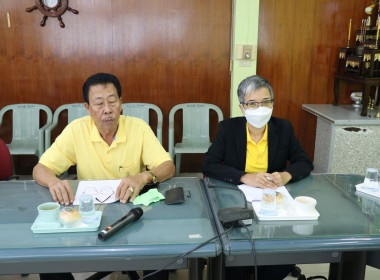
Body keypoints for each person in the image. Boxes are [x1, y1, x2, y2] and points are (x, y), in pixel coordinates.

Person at [33, 73, 175, 280]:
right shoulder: (76, 130)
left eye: (112, 101)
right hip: (88, 214)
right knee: (48, 259)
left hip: (131, 213)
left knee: (160, 258)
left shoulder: (138, 128)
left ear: (121, 103)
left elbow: (167, 167)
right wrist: (53, 181)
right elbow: (40, 169)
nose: (107, 110)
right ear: (87, 108)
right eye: (99, 104)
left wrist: (145, 176)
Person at [202, 75, 313, 280]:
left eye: (265, 102)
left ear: (273, 103)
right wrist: (244, 177)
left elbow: (304, 162)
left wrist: (286, 175)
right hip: (237, 200)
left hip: (274, 204)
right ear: (242, 107)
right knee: (234, 265)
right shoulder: (228, 128)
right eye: (252, 104)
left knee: (275, 266)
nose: (260, 108)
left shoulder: (284, 128)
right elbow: (209, 165)